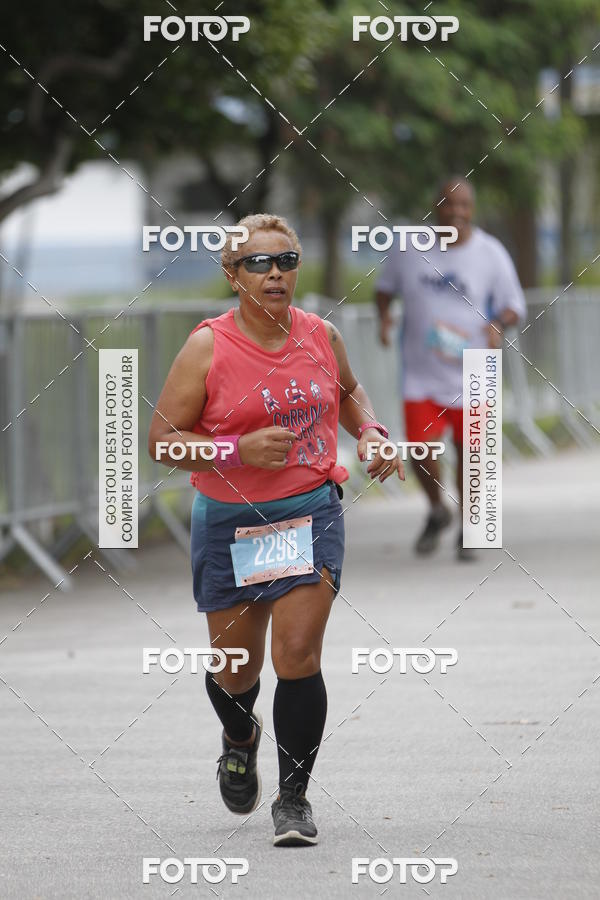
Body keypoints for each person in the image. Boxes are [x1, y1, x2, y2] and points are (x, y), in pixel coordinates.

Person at [148, 213, 404, 847]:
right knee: (235, 668)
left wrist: (371, 433)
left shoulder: (321, 334)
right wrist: (235, 451)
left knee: (297, 654)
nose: (276, 274)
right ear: (234, 277)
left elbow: (349, 392)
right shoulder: (207, 346)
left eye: (286, 260)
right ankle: (240, 738)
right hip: (229, 520)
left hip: (308, 509)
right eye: (259, 264)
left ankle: (293, 799)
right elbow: (161, 441)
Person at [375, 177, 526, 560]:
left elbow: (513, 305)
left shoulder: (490, 252)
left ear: (472, 209)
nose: (455, 212)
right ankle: (437, 510)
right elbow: (384, 289)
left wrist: (498, 324)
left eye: (463, 205)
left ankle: (470, 527)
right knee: (421, 449)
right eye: (448, 204)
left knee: (471, 453)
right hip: (421, 372)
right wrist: (383, 320)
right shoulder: (408, 248)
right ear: (435, 206)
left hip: (474, 369)